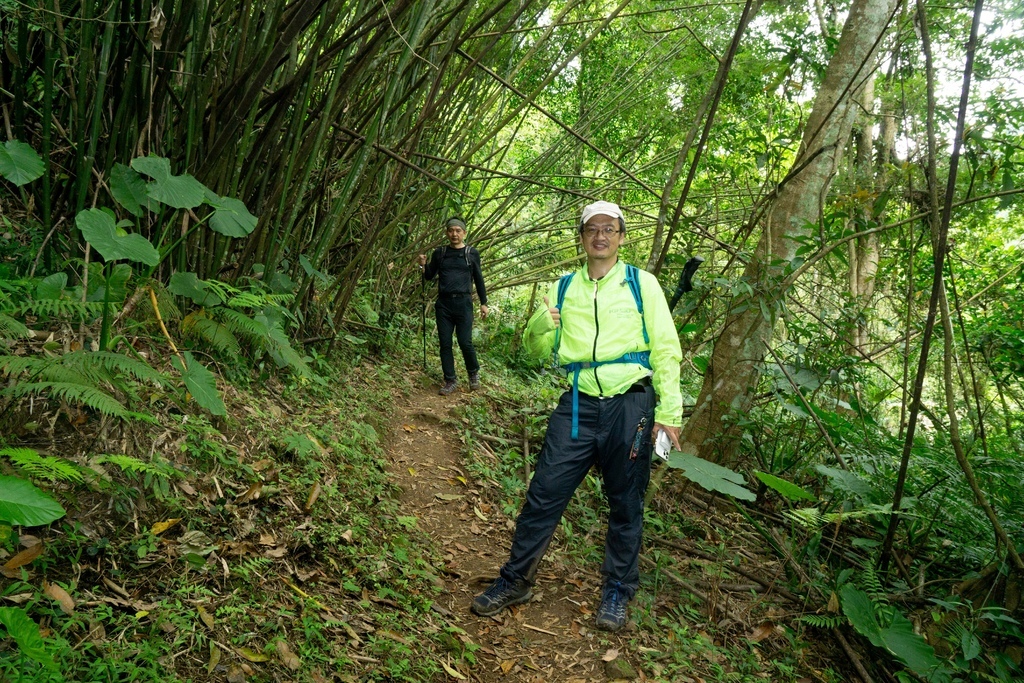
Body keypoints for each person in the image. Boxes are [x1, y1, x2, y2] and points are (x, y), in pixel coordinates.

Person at [470, 200, 683, 632]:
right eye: (592, 229)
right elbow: (536, 352)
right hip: (578, 404)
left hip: (632, 404)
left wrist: (670, 412)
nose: (600, 236)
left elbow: (666, 348)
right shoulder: (565, 288)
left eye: (609, 229)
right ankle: (515, 581)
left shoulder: (642, 285)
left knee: (626, 502)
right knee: (543, 494)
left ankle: (618, 591)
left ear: (622, 237)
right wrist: (539, 324)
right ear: (582, 237)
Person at [419, 217, 489, 395]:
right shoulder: (440, 253)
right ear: (446, 233)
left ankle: (473, 373)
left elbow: (479, 279)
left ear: (464, 233)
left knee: (465, 342)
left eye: (458, 231)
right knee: (445, 343)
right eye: (451, 230)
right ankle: (450, 380)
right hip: (444, 304)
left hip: (464, 303)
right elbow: (428, 276)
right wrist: (423, 265)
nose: (454, 234)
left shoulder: (471, 253)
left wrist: (483, 303)